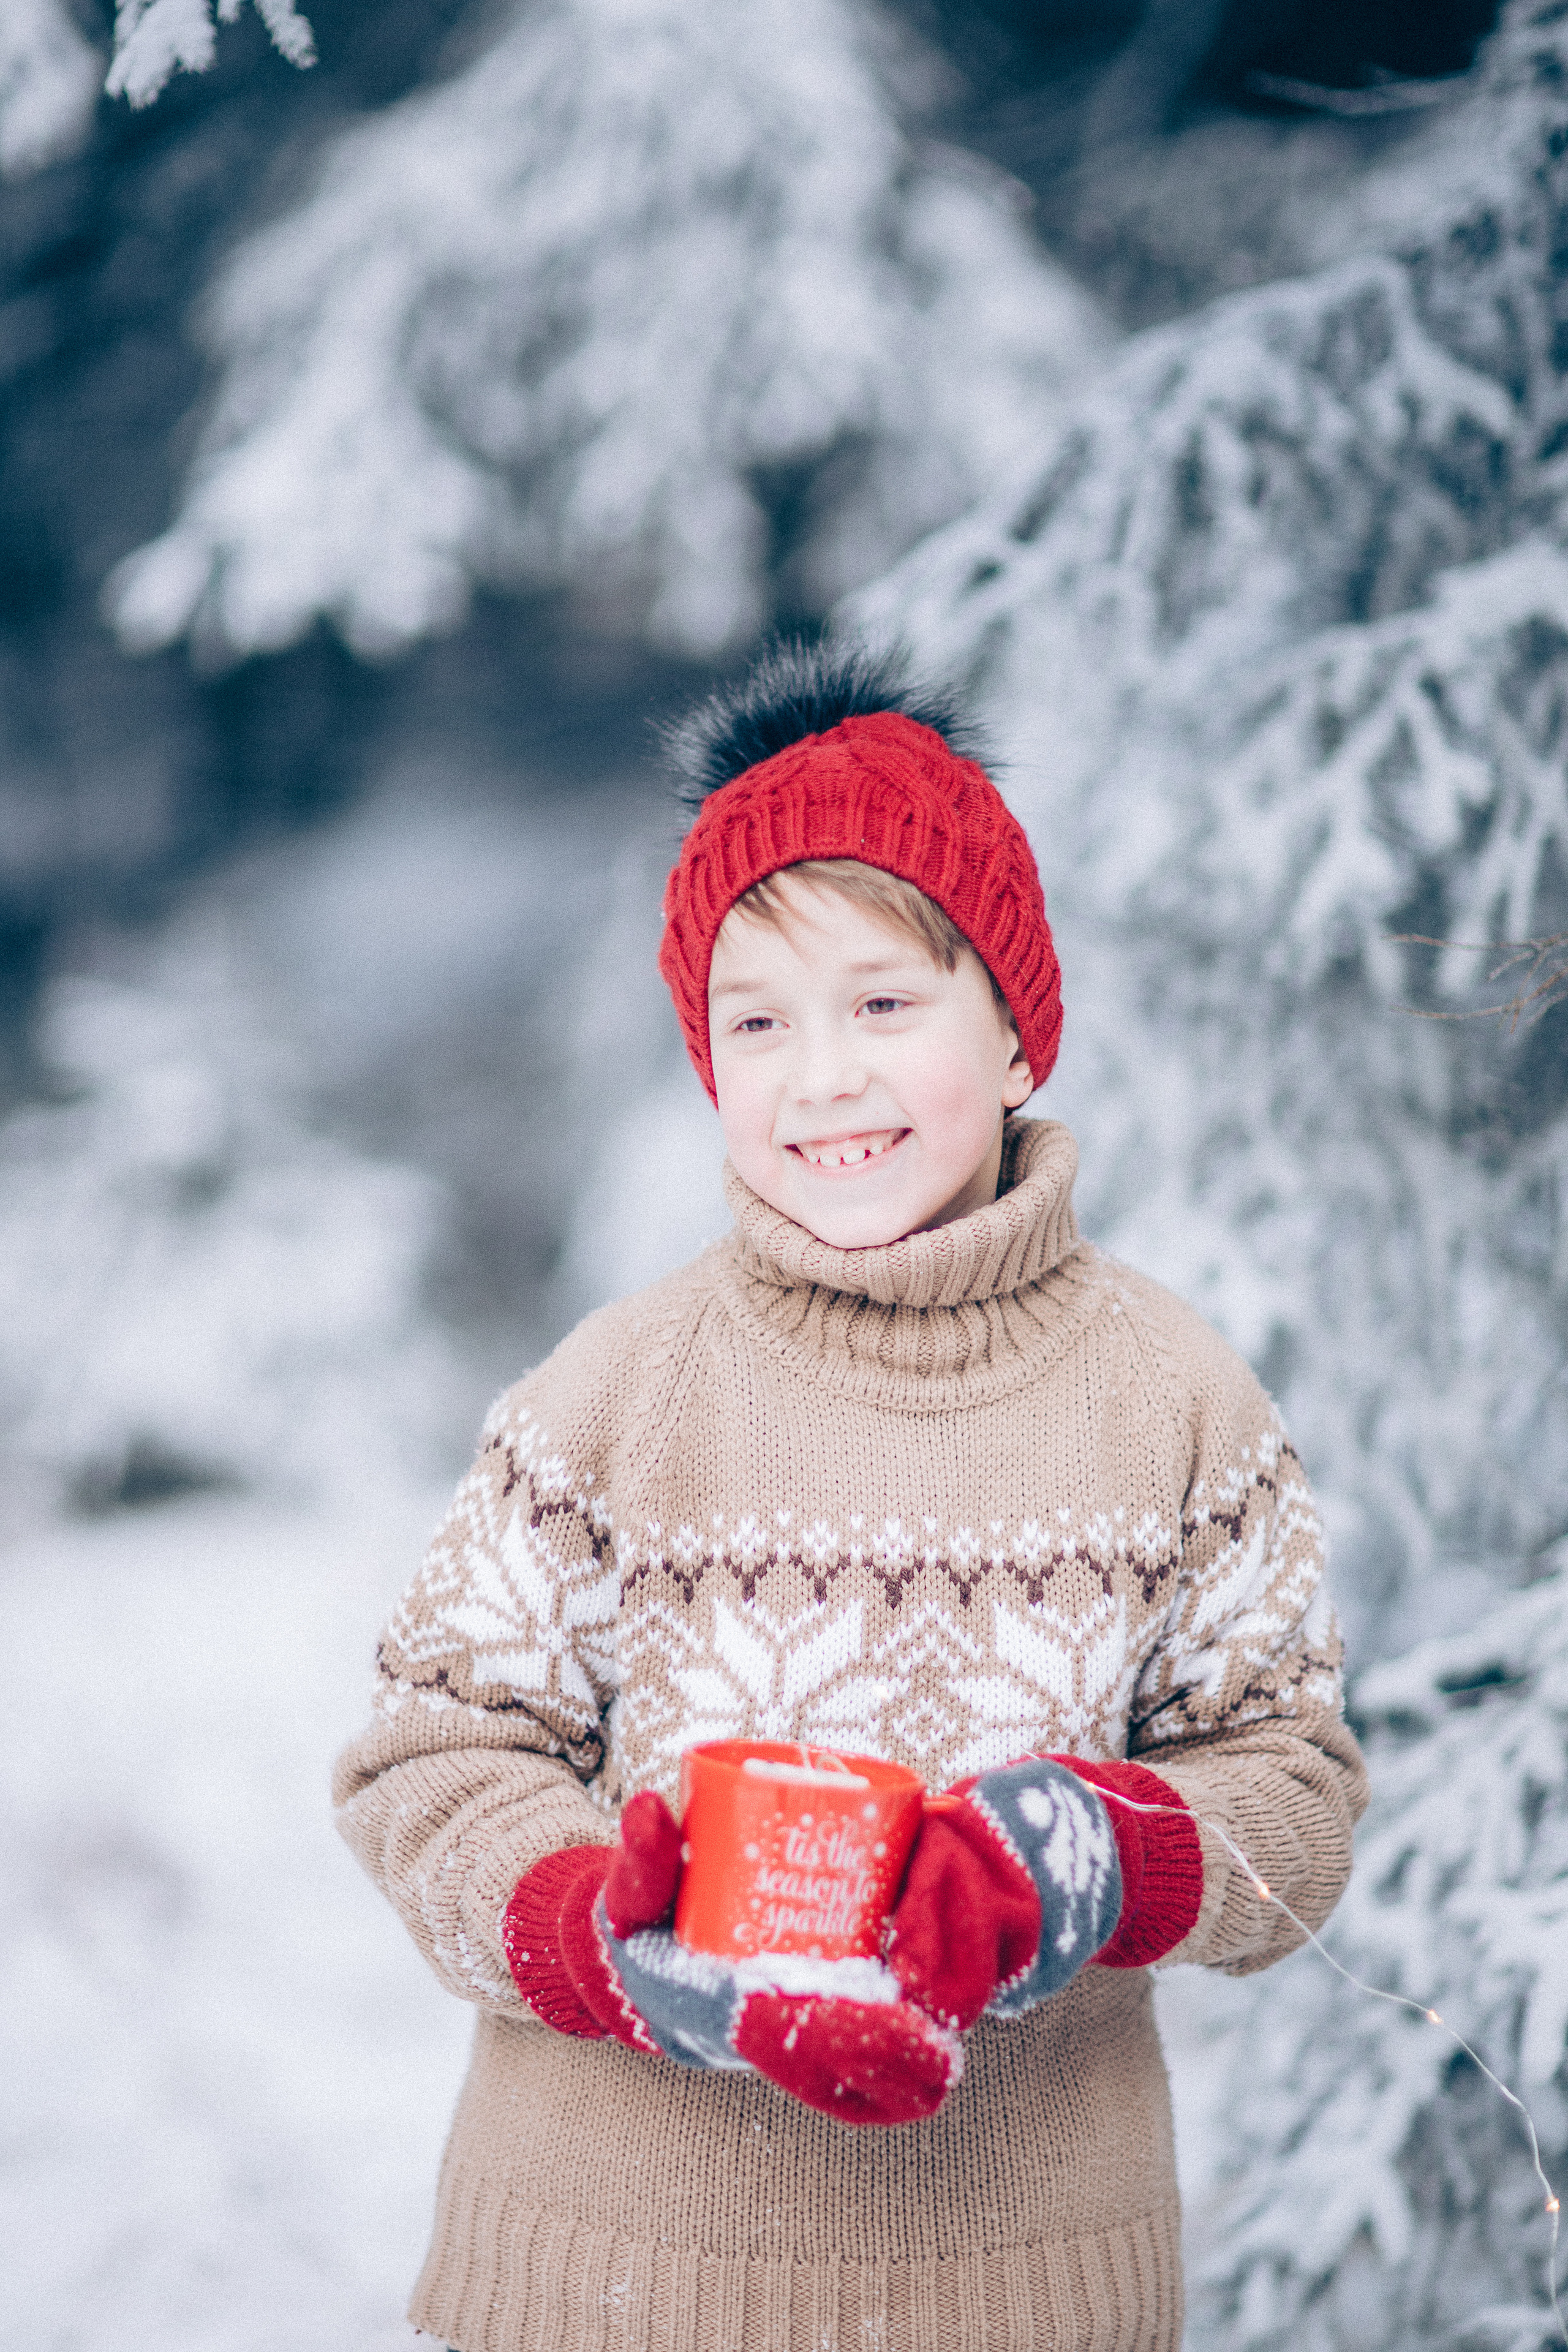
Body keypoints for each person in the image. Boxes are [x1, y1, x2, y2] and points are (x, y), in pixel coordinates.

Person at [333, 638, 1368, 2352]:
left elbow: (1293, 1800)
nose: (822, 1074)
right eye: (760, 1021)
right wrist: (596, 1929)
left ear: (1020, 1035)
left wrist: (1092, 1857)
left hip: (1021, 2287)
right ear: (708, 1060)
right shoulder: (619, 1395)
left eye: (886, 1003)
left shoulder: (1174, 1400)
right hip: (624, 2279)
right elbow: (429, 1755)